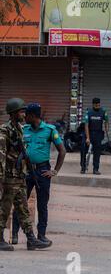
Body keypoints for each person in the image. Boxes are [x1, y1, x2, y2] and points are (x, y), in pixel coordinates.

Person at [0, 98, 52, 251]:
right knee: (4, 208)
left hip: (20, 176)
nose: (24, 114)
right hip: (9, 177)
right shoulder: (5, 130)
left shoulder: (20, 129)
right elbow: (1, 155)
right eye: (21, 111)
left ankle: (31, 239)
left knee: (23, 209)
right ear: (14, 113)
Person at [11, 103, 66, 246]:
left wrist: (55, 170)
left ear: (33, 116)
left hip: (43, 171)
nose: (24, 117)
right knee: (20, 204)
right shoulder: (24, 130)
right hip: (26, 170)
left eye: (26, 114)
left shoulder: (50, 130)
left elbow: (62, 151)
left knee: (42, 205)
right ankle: (14, 234)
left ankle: (41, 235)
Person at [80, 98, 109, 175]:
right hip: (89, 133)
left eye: (98, 104)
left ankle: (95, 169)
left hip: (98, 134)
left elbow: (106, 121)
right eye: (96, 105)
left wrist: (107, 130)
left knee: (97, 152)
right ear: (93, 104)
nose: (97, 106)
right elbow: (86, 125)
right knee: (83, 150)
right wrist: (88, 138)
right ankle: (83, 167)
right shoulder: (89, 112)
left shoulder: (103, 112)